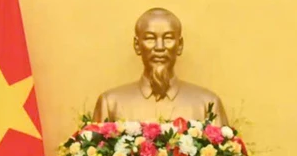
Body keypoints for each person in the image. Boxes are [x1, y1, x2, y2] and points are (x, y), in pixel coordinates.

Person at [92, 8, 228, 123]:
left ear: (179, 45)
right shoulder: (110, 104)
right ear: (137, 45)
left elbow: (228, 153)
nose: (160, 47)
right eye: (150, 38)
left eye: (168, 38)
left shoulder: (207, 104)